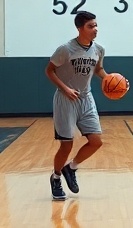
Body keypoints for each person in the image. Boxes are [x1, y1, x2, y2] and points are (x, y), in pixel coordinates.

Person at [46, 11, 123, 201]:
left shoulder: (99, 49)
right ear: (80, 28)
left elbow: (98, 70)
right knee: (66, 144)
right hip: (66, 99)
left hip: (86, 98)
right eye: (91, 26)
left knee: (96, 141)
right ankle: (56, 177)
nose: (95, 29)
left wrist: (114, 81)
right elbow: (49, 71)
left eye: (96, 25)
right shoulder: (65, 49)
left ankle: (70, 168)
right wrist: (65, 89)